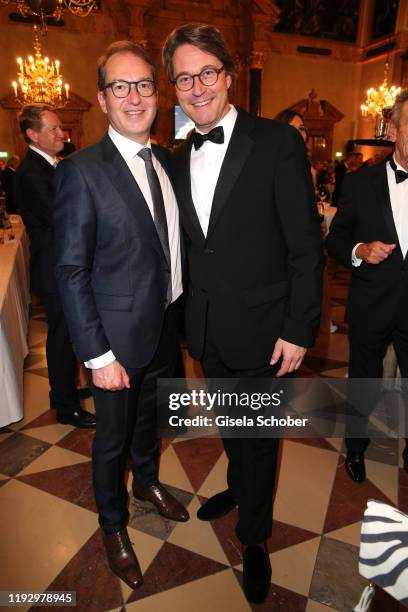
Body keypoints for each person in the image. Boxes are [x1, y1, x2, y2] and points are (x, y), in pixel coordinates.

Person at [163, 23, 323, 604]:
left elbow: (306, 247)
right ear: (175, 88)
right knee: (234, 430)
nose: (197, 86)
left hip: (266, 332)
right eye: (184, 77)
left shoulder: (277, 142)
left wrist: (299, 328)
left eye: (207, 72)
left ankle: (254, 538)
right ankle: (238, 487)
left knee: (257, 441)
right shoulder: (175, 159)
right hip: (206, 330)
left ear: (229, 76)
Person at [53, 41, 188, 590]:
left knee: (150, 425)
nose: (134, 97)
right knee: (111, 440)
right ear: (104, 99)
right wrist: (97, 354)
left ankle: (147, 484)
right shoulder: (82, 171)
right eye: (120, 87)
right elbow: (70, 272)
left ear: (158, 94)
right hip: (114, 339)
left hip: (165, 326)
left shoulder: (167, 162)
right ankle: (113, 524)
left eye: (144, 85)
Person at [326, 89, 408, 483]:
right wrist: (360, 248)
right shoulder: (361, 182)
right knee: (364, 381)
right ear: (393, 130)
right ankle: (355, 448)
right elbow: (336, 239)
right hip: (371, 302)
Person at [14, 105, 96, 429]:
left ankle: (63, 392)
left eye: (61, 127)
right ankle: (65, 406)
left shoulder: (50, 166)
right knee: (63, 335)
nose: (62, 134)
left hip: (60, 264)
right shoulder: (31, 174)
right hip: (54, 268)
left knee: (68, 334)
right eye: (54, 129)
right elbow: (64, 219)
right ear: (32, 135)